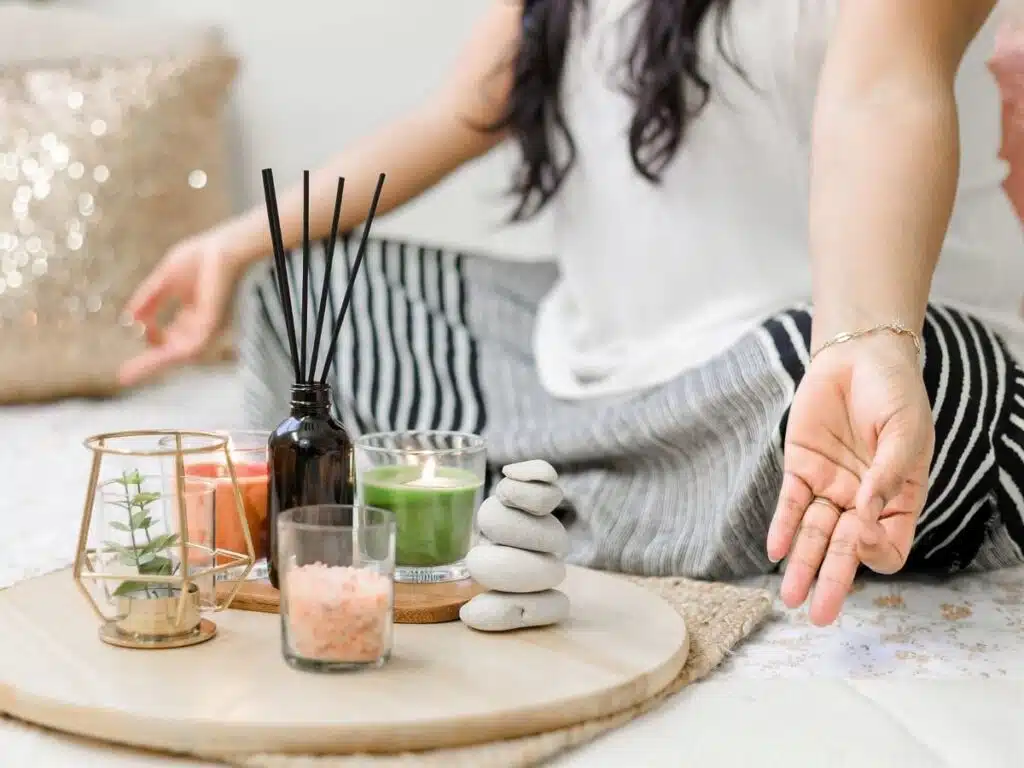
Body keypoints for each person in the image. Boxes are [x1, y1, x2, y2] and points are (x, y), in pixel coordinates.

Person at [120, 0, 1024, 626]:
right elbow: (461, 112)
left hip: (828, 358)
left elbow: (881, 92)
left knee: (928, 392)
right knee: (306, 289)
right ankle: (594, 501)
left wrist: (867, 338)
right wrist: (234, 244)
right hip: (596, 369)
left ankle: (528, 502)